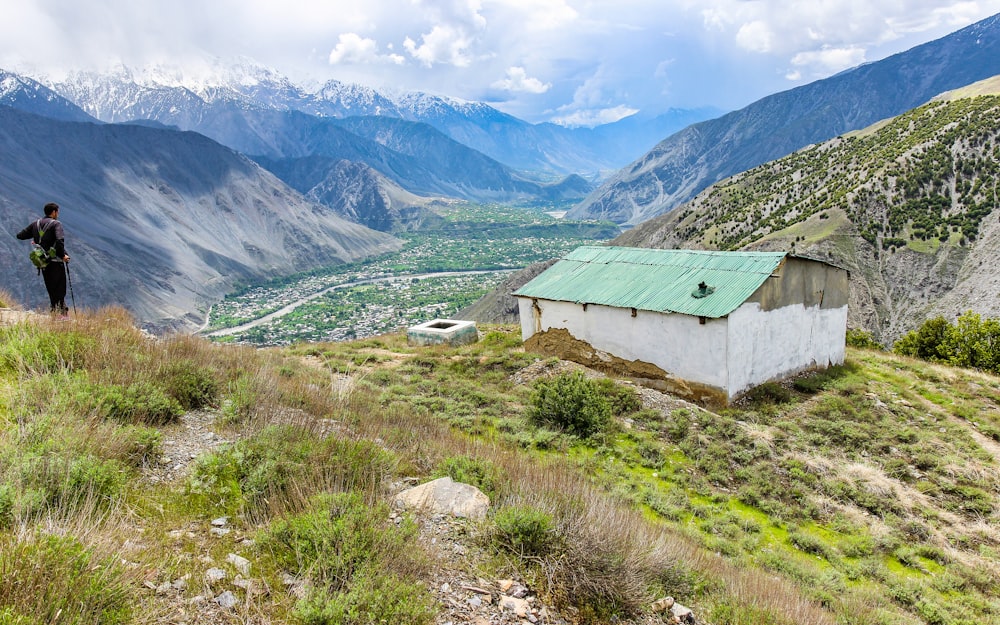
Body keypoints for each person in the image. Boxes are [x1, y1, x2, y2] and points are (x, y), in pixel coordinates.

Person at [16, 202, 71, 317]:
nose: (58, 214)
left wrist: (37, 240)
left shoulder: (36, 224)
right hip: (56, 262)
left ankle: (55, 313)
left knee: (51, 287)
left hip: (43, 263)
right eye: (57, 212)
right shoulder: (56, 224)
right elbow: (60, 241)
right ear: (54, 212)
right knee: (60, 288)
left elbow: (20, 235)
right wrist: (63, 256)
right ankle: (62, 316)